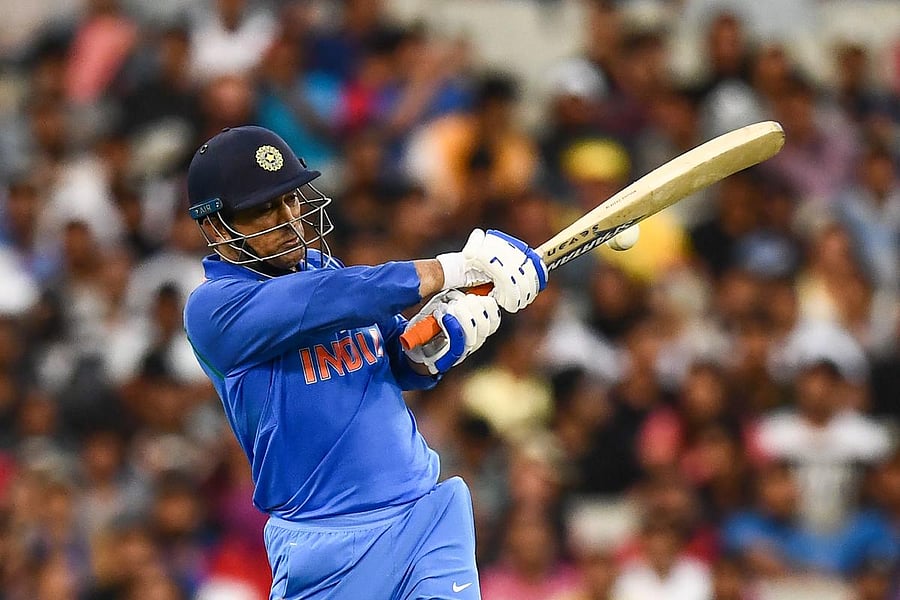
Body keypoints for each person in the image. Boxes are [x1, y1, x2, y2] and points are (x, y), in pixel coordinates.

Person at [182, 125, 547, 599]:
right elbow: (332, 297)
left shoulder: (325, 271)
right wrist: (454, 268)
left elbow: (395, 357)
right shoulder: (214, 309)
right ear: (217, 228)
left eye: (290, 199)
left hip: (423, 515)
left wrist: (436, 342)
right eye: (265, 208)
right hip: (326, 545)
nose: (290, 218)